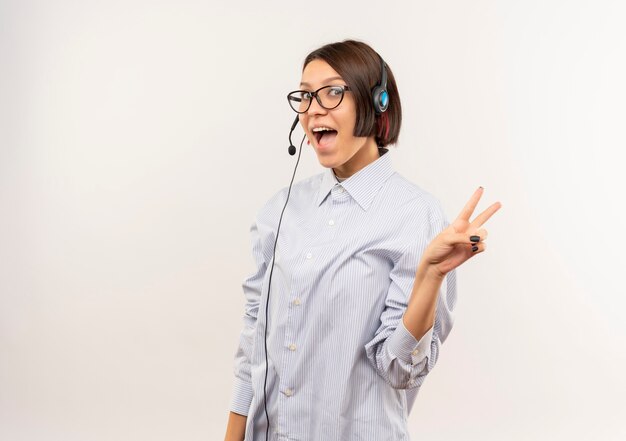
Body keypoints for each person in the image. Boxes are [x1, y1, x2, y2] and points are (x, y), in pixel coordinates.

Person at [224, 39, 501, 441]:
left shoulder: (416, 215)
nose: (314, 108)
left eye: (333, 92)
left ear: (377, 102)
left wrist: (430, 275)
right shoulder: (279, 211)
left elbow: (400, 368)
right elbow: (252, 345)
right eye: (305, 95)